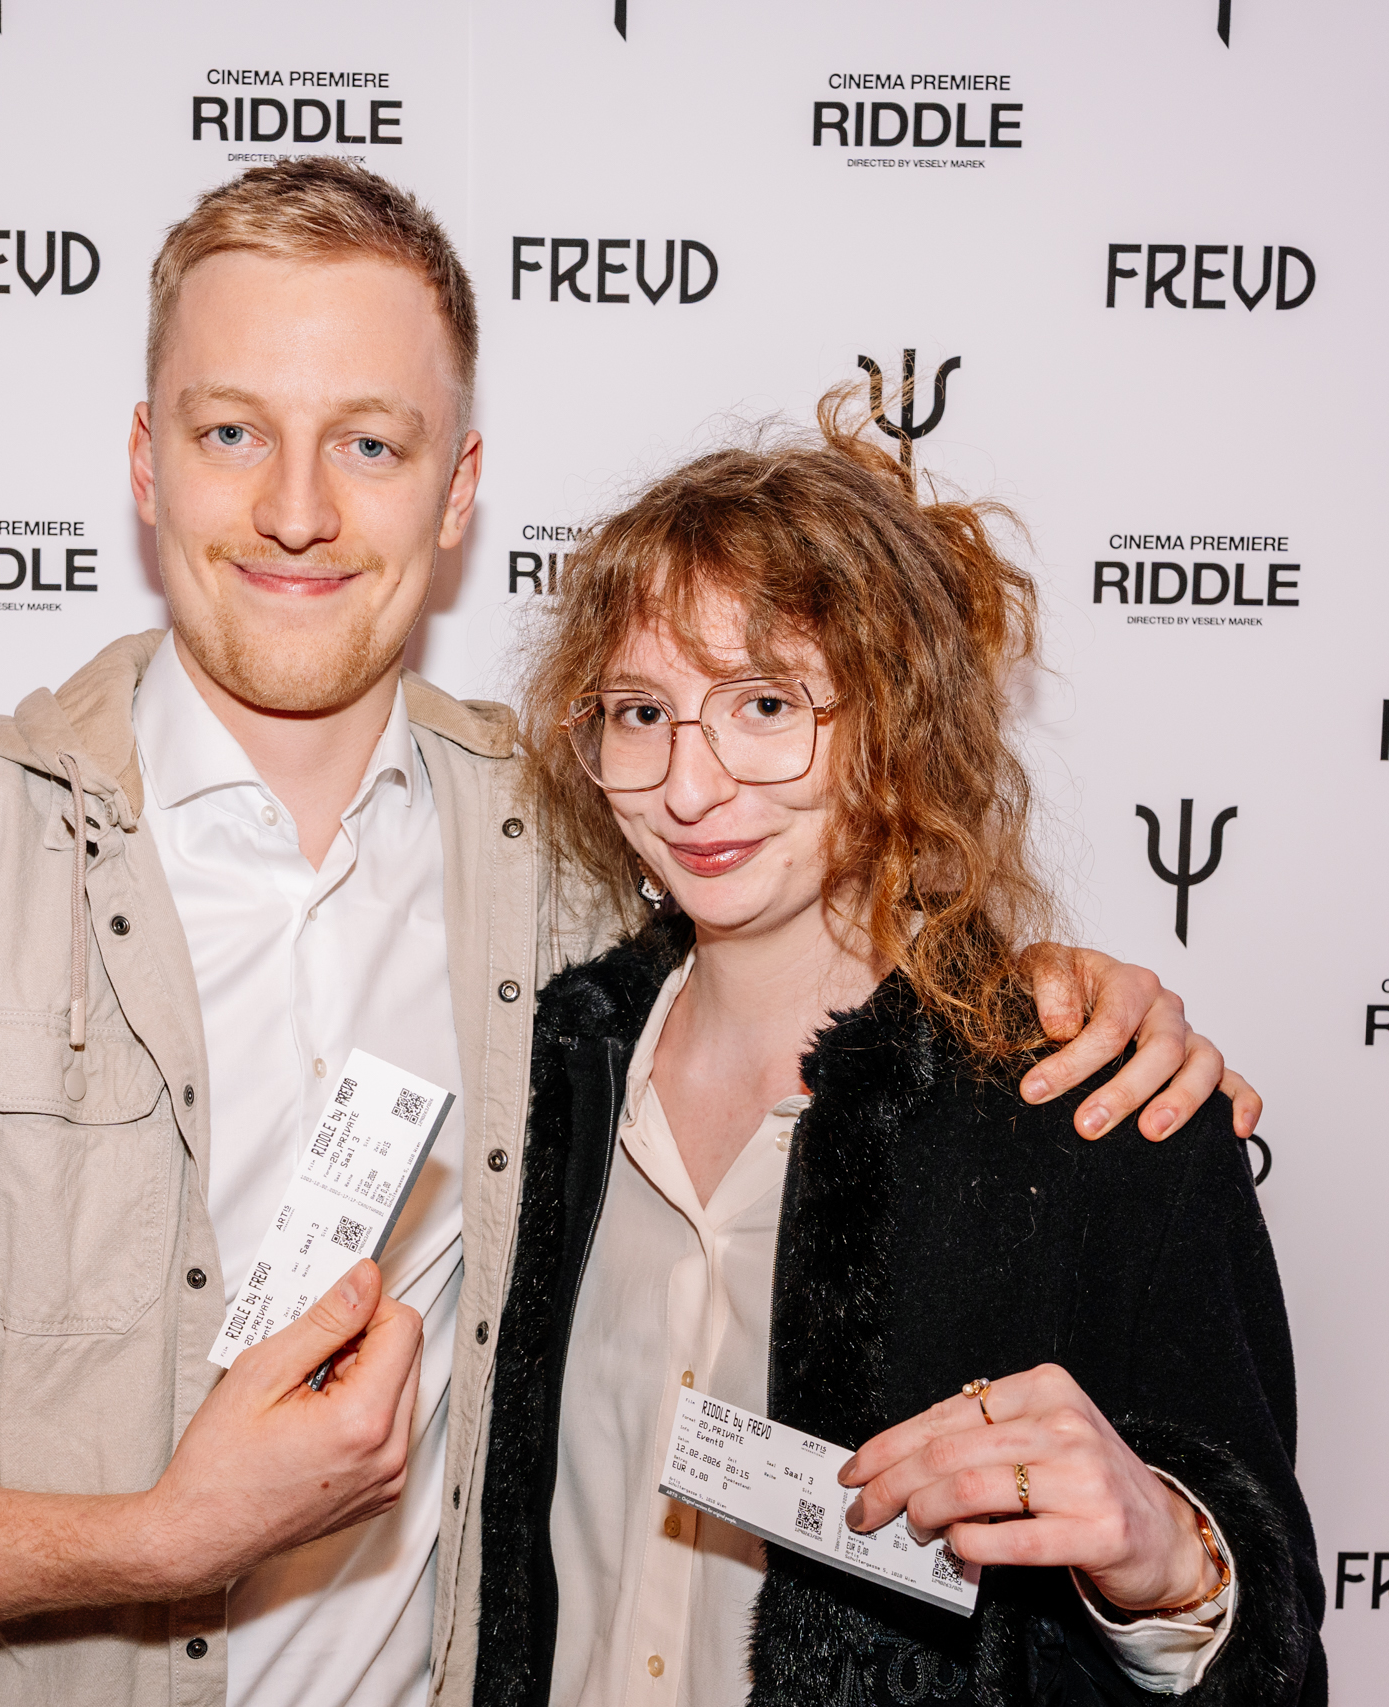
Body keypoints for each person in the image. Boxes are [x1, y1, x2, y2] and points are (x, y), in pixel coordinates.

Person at [0, 160, 1259, 1707]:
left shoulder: (570, 870)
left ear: (459, 487)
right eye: (231, 432)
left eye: (369, 444)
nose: (295, 511)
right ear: (144, 463)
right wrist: (159, 1539)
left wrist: (1044, 993)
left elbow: (823, 933)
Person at [469, 401, 1322, 1706]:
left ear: (898, 726)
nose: (688, 788)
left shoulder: (1094, 1111)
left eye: (765, 704)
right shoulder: (542, 1081)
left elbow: (1270, 1652)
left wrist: (1168, 1562)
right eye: (640, 712)